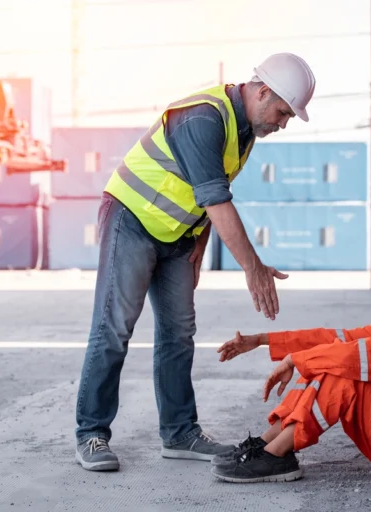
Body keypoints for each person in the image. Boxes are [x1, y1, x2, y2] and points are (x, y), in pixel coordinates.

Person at [74, 53, 317, 471]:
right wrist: (253, 268)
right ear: (262, 92)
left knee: (179, 333)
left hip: (177, 236)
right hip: (131, 220)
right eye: (282, 112)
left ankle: (180, 433)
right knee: (114, 327)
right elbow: (215, 198)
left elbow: (206, 195)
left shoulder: (244, 132)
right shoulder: (202, 117)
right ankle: (92, 433)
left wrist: (197, 250)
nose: (282, 123)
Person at [210, 242, 371, 483]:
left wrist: (295, 359)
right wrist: (261, 339)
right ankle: (266, 446)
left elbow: (352, 356)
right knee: (329, 356)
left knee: (341, 370)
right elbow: (334, 339)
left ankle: (276, 455)